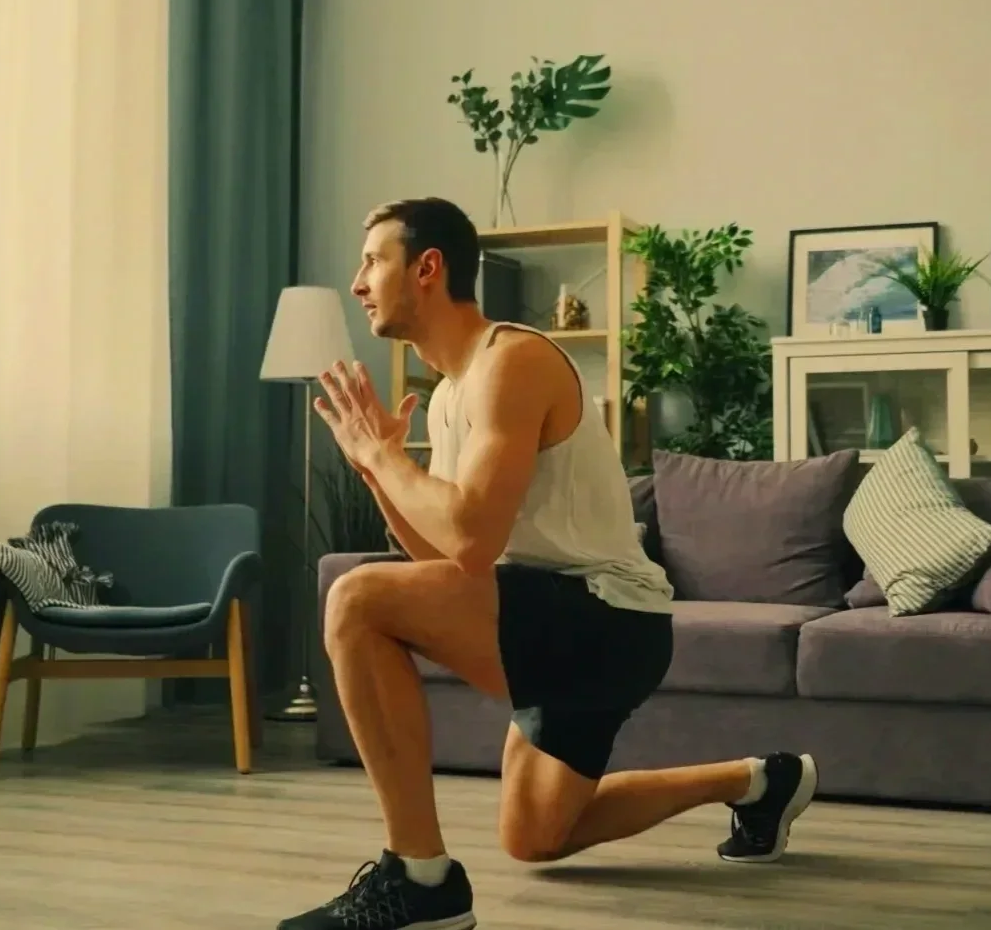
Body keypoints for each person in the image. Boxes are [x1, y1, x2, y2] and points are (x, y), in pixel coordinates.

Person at [279, 197, 817, 930]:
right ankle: (760, 780)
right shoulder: (450, 395)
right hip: (558, 614)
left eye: (373, 260)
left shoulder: (513, 361)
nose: (358, 281)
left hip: (602, 617)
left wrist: (383, 456)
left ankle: (420, 879)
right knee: (535, 835)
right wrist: (378, 468)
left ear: (428, 267)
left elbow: (470, 542)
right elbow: (446, 556)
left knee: (354, 598)